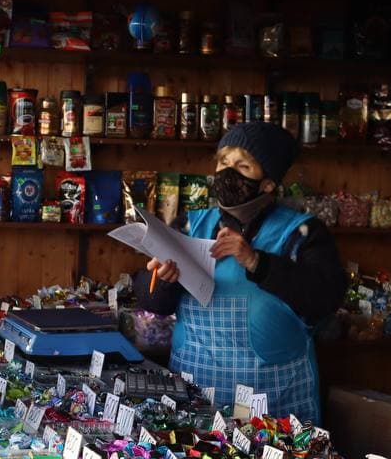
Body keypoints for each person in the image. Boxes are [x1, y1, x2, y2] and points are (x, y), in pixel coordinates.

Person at [134, 122, 346, 422]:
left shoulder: (302, 232)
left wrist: (256, 262)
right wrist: (163, 281)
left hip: (273, 399)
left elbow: (325, 297)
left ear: (268, 183)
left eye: (243, 166)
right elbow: (151, 301)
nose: (227, 173)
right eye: (223, 162)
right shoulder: (189, 225)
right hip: (197, 391)